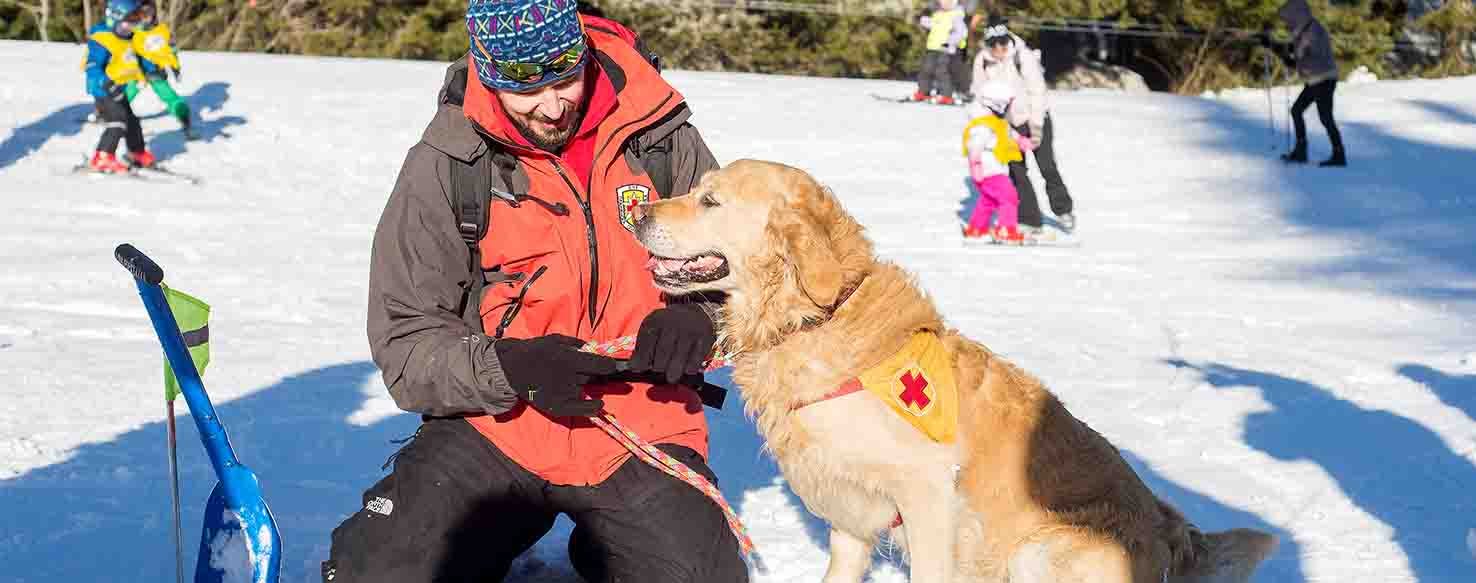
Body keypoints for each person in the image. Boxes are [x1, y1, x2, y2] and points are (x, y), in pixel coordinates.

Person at [324, 2, 745, 582]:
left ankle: (611, 544)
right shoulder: (448, 161)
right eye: (525, 87)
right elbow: (407, 340)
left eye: (565, 75)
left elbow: (749, 271)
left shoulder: (660, 135)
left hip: (641, 420)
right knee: (377, 574)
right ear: (487, 72)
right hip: (498, 420)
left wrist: (702, 316)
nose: (553, 105)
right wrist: (511, 367)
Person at [972, 18, 1077, 236]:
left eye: (1003, 43)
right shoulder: (982, 62)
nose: (999, 49)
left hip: (1036, 117)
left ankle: (1063, 210)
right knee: (1017, 171)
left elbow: (1037, 92)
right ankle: (1030, 219)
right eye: (994, 45)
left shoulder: (1023, 57)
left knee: (1046, 166)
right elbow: (982, 97)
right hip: (1010, 124)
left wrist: (1036, 127)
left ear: (1008, 40)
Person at [84, 0, 178, 173]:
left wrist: (153, 71)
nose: (132, 27)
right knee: (118, 120)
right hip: (103, 90)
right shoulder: (103, 40)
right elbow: (93, 68)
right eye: (128, 23)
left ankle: (137, 152)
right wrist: (105, 83)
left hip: (119, 88)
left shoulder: (130, 38)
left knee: (132, 121)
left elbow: (141, 58)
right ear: (114, 19)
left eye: (135, 22)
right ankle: (102, 156)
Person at [1271, 0, 1345, 167]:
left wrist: (1285, 56)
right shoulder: (1306, 29)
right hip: (1316, 80)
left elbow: (1305, 59)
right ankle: (1301, 151)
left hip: (1323, 79)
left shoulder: (1311, 32)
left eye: (1288, 20)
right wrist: (1274, 46)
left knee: (1325, 118)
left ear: (1296, 16)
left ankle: (1339, 155)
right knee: (1297, 110)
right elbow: (1295, 51)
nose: (1286, 24)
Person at [961, 81, 1028, 245]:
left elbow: (1006, 132)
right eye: (1006, 105)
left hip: (994, 169)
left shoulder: (995, 121)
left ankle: (976, 229)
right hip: (988, 170)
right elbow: (974, 146)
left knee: (988, 200)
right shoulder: (983, 125)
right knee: (1009, 197)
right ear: (997, 104)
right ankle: (1006, 229)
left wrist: (1020, 140)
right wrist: (976, 165)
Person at [913, 0, 968, 105]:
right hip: (933, 48)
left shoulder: (956, 15)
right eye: (943, 1)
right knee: (926, 70)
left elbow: (962, 33)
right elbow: (934, 25)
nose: (945, 3)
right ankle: (924, 91)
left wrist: (950, 42)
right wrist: (923, 20)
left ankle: (946, 95)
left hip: (946, 50)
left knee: (941, 72)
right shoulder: (938, 14)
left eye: (948, 1)